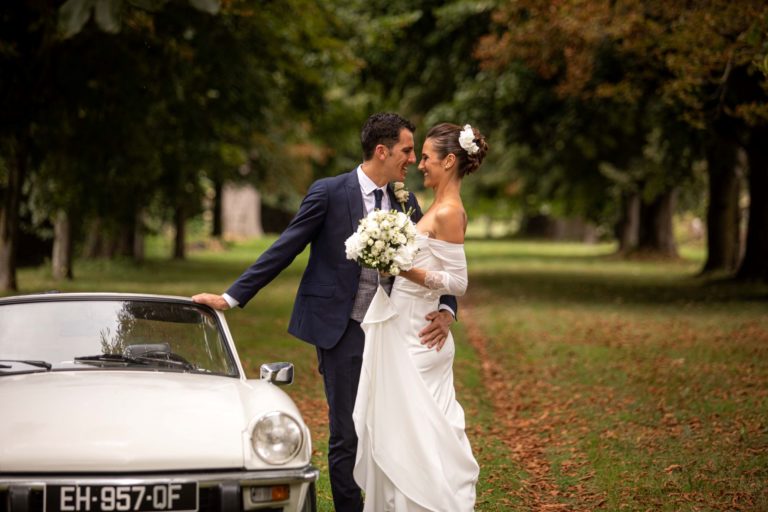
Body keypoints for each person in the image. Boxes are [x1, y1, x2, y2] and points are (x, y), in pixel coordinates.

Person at [191, 112, 458, 512]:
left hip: (393, 330)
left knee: (388, 425)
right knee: (347, 431)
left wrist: (447, 308)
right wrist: (231, 297)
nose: (410, 160)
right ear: (381, 151)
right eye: (406, 150)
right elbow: (287, 246)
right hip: (342, 328)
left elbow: (437, 261)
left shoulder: (407, 200)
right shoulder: (330, 192)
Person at [352, 123, 488, 511]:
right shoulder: (434, 207)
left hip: (418, 339)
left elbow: (458, 282)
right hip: (406, 326)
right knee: (404, 431)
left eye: (426, 157)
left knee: (414, 432)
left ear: (449, 160)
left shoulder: (448, 212)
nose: (420, 164)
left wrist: (398, 265)